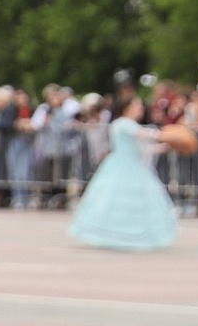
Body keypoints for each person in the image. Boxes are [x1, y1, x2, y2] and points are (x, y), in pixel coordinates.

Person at [69, 98, 178, 251]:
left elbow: (142, 149)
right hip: (122, 165)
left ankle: (136, 232)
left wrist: (165, 147)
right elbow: (144, 134)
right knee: (116, 200)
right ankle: (120, 234)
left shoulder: (128, 124)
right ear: (126, 107)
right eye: (137, 105)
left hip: (133, 165)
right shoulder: (121, 123)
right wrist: (171, 135)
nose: (140, 108)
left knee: (135, 201)